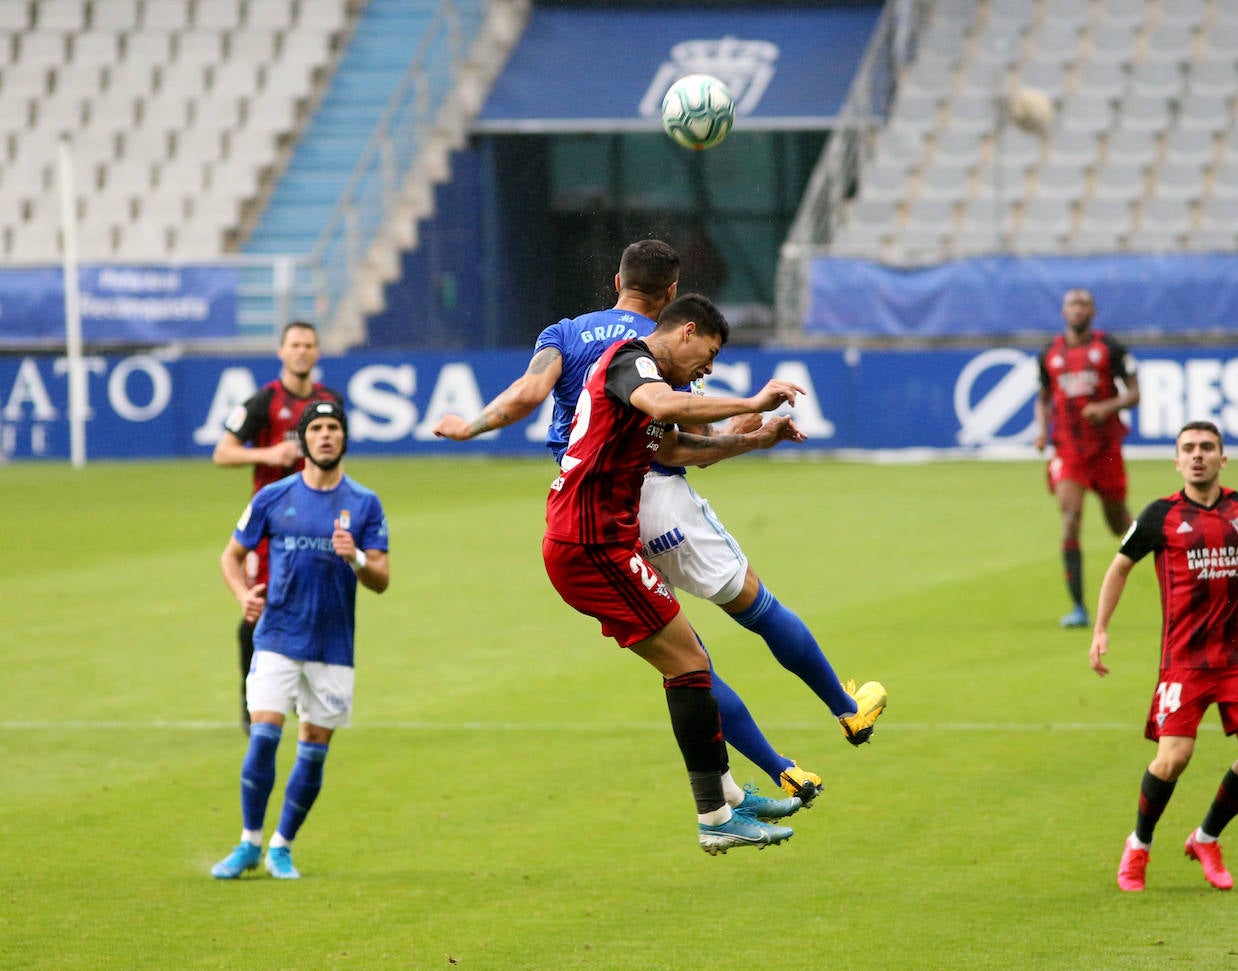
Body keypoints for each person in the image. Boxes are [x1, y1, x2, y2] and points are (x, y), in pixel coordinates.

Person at [433, 240, 886, 803]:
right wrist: (751, 415)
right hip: (650, 495)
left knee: (686, 661)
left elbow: (529, 393)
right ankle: (847, 710)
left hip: (596, 503)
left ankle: (774, 772)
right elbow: (677, 441)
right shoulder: (658, 354)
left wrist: (469, 427)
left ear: (614, 280)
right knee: (755, 606)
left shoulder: (566, 333)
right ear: (674, 299)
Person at [542, 292, 811, 853]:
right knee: (690, 665)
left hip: (602, 544)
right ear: (685, 332)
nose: (707, 370)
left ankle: (731, 797)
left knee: (693, 661)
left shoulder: (643, 380)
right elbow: (666, 408)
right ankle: (715, 814)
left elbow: (679, 447)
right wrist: (753, 398)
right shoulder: (629, 360)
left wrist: (757, 437)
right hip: (591, 546)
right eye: (707, 354)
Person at [1090, 420, 1238, 893]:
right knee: (1173, 758)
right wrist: (1100, 630)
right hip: (1184, 662)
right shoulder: (1160, 516)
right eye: (1188, 449)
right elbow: (1119, 568)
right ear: (1177, 461)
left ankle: (1206, 837)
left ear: (1222, 458)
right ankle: (1139, 845)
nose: (1198, 455)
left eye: (1207, 448)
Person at [210, 401, 390, 879]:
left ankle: (281, 846)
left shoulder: (365, 503)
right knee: (264, 734)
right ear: (304, 440)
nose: (326, 436)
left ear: (344, 438)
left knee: (313, 747)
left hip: (332, 646)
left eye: (334, 428)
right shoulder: (273, 496)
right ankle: (248, 842)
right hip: (276, 636)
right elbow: (231, 557)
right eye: (317, 429)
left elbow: (382, 579)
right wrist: (243, 596)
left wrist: (355, 560)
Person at [213, 321, 343, 732]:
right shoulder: (263, 401)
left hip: (317, 521)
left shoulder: (328, 401)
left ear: (317, 352)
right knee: (260, 608)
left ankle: (308, 703)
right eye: (295, 345)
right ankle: (254, 706)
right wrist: (272, 453)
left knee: (317, 607)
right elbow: (222, 453)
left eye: (309, 345)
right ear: (282, 352)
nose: (302, 352)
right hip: (270, 527)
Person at [1034, 288, 1141, 628]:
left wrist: (1105, 407)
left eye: (1083, 304)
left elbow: (1135, 394)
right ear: (1063, 311)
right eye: (1071, 304)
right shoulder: (1049, 353)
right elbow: (1043, 397)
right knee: (1070, 518)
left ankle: (1165, 560)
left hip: (1106, 449)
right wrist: (1040, 430)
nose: (1077, 310)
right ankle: (1079, 608)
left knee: (1117, 524)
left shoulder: (1110, 348)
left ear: (1092, 311)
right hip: (1068, 448)